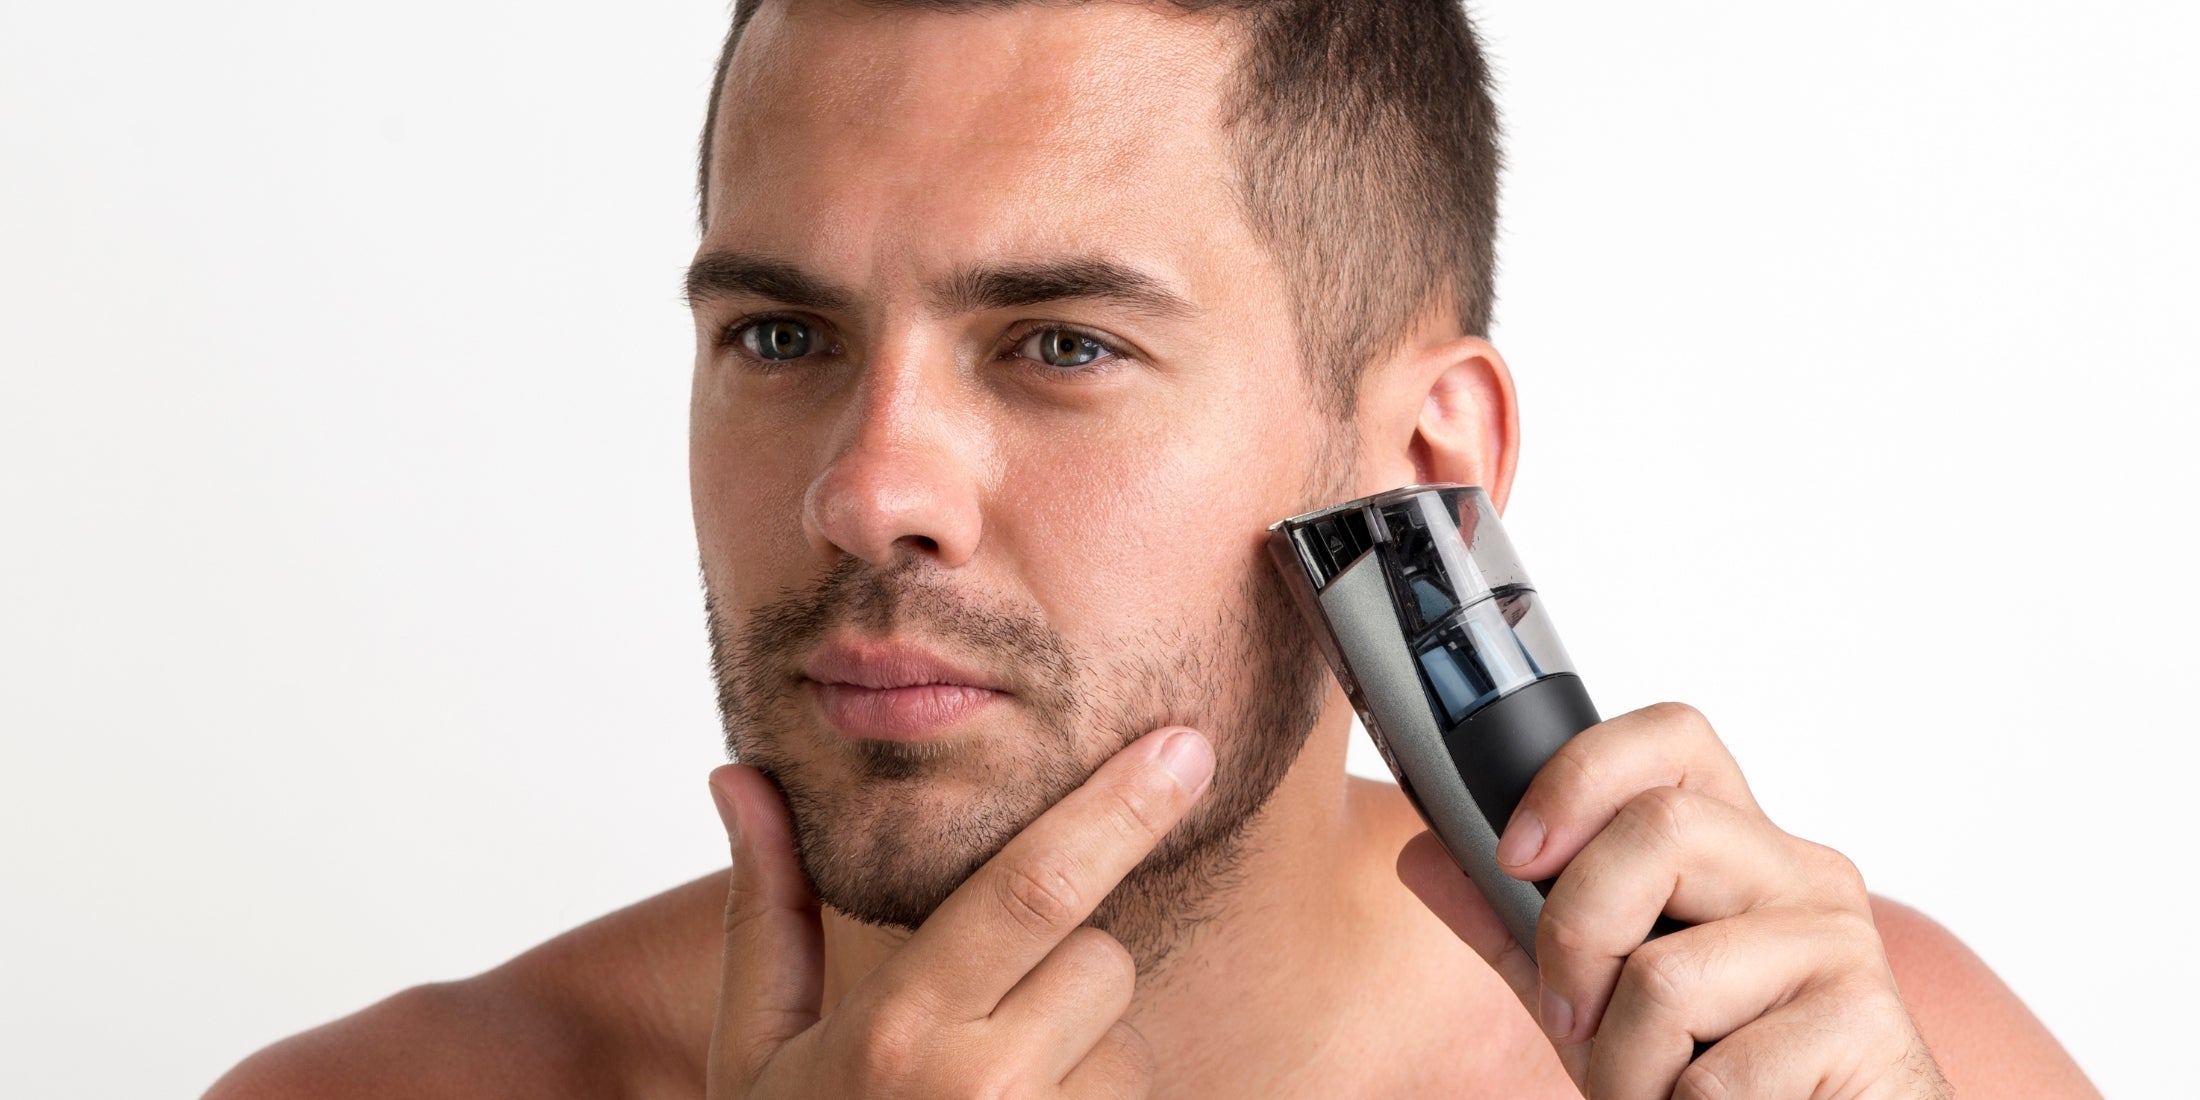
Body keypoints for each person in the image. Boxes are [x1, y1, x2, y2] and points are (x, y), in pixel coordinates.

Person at [207, 1, 2099, 1095]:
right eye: (781, 337)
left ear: (1427, 463)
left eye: (1063, 346)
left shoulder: (1861, 1058)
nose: (870, 494)